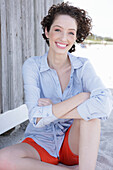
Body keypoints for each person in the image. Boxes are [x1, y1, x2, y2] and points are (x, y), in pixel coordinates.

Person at [0, 2, 112, 170]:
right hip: (41, 141)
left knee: (91, 118)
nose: (63, 38)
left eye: (71, 33)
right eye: (58, 30)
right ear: (47, 31)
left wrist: (55, 109)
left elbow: (105, 105)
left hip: (72, 143)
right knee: (3, 159)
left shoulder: (83, 66)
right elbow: (36, 119)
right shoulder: (32, 66)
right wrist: (80, 98)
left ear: (76, 37)